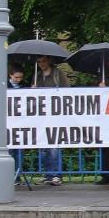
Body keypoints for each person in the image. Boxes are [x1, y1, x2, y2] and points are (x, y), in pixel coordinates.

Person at [34, 54, 69, 186]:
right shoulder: (37, 76)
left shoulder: (58, 74)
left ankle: (56, 174)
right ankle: (47, 174)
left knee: (54, 145)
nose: (41, 64)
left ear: (48, 61)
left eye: (43, 61)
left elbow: (67, 91)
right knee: (43, 147)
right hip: (42, 115)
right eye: (38, 62)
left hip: (55, 114)